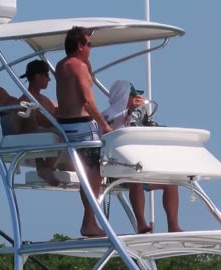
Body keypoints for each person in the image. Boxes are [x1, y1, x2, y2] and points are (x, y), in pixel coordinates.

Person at [102, 80, 183, 233]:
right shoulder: (109, 115)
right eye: (132, 95)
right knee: (135, 179)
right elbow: (119, 121)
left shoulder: (132, 114)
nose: (136, 98)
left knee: (171, 183)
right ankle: (141, 223)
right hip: (114, 170)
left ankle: (173, 225)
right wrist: (132, 109)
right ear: (125, 96)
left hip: (135, 167)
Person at [55, 26, 113, 237]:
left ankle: (89, 220)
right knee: (95, 175)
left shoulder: (62, 65)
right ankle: (88, 222)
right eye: (89, 44)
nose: (91, 49)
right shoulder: (78, 66)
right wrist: (104, 125)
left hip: (66, 126)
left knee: (87, 176)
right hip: (82, 126)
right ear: (80, 46)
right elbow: (87, 101)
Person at [18, 59, 63, 186]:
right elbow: (38, 121)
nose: (49, 79)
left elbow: (57, 111)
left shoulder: (44, 99)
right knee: (61, 137)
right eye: (47, 75)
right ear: (38, 76)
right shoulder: (26, 99)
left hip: (49, 131)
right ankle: (45, 167)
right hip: (36, 135)